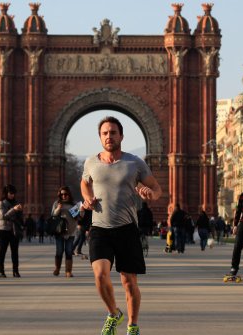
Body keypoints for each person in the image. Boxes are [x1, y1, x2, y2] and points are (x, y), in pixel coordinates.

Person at [81, 116, 162, 335]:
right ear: (100, 137)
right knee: (100, 275)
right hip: (99, 228)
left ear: (121, 136)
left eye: (113, 132)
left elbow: (156, 188)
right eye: (105, 133)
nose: (109, 136)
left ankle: (132, 325)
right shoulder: (90, 162)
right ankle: (114, 313)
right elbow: (84, 183)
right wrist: (87, 198)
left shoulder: (134, 162)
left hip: (126, 228)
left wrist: (150, 195)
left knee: (129, 282)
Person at [51, 186, 81, 277]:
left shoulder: (73, 204)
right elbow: (53, 215)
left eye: (65, 194)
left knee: (68, 251)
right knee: (59, 251)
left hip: (71, 231)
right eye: (62, 194)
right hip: (59, 231)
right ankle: (57, 268)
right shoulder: (57, 203)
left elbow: (77, 218)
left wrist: (75, 211)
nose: (64, 196)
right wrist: (58, 209)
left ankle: (68, 271)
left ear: (69, 194)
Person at [0, 184, 24, 278]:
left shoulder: (15, 202)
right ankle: (1, 271)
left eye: (14, 193)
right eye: (11, 193)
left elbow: (19, 217)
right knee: (3, 250)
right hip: (4, 230)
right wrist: (14, 209)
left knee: (15, 251)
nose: (13, 195)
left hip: (14, 230)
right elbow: (3, 216)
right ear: (6, 193)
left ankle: (15, 271)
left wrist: (19, 210)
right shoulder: (1, 203)